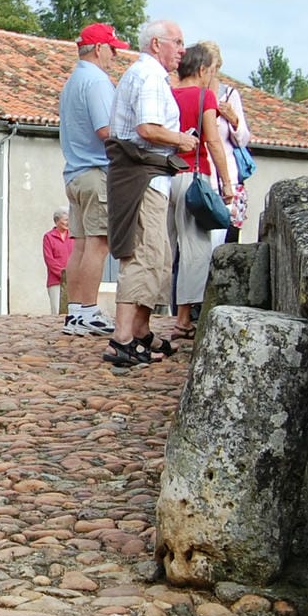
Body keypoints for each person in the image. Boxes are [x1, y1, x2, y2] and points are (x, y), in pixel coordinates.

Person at [103, 19, 195, 368]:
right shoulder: (151, 76)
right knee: (143, 256)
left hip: (146, 177)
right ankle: (122, 338)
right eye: (178, 41)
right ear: (157, 44)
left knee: (155, 257)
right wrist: (183, 139)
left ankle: (139, 331)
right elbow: (148, 128)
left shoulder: (143, 74)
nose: (182, 50)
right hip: (143, 179)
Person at [57, 22, 127, 336]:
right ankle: (88, 311)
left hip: (74, 172)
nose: (115, 56)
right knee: (99, 245)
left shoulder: (73, 81)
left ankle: (75, 312)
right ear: (99, 49)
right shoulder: (97, 81)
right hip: (96, 171)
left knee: (81, 246)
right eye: (113, 49)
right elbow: (104, 130)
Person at [167, 41, 237, 339]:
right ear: (202, 69)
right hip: (193, 176)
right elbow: (213, 142)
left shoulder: (169, 93)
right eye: (213, 69)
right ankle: (184, 318)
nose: (214, 75)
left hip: (164, 176)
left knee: (169, 248)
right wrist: (226, 182)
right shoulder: (203, 96)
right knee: (196, 248)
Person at [218, 79, 254, 243]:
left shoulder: (229, 95)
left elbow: (243, 139)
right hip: (203, 176)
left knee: (227, 240)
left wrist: (234, 120)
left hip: (230, 179)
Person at [42, 208, 73, 314]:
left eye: (69, 220)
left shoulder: (73, 236)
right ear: (57, 221)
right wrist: (63, 274)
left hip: (73, 280)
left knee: (72, 311)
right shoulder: (49, 237)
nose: (68, 222)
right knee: (56, 310)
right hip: (55, 281)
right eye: (65, 220)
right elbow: (49, 259)